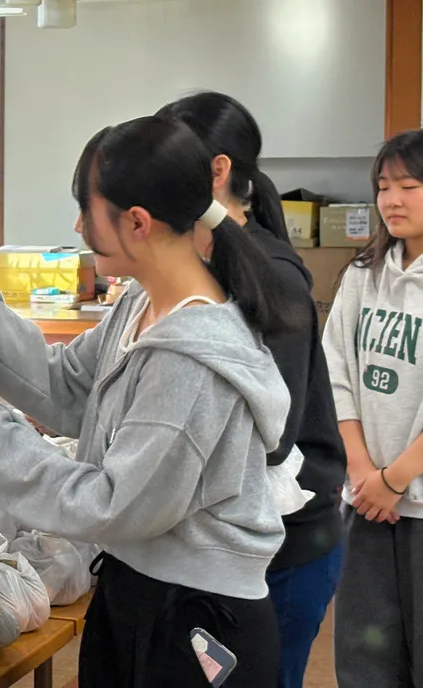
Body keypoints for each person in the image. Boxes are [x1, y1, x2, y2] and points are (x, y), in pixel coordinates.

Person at [0, 115, 291, 687]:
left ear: (136, 223)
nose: (77, 225)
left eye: (86, 211)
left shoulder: (189, 360)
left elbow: (116, 505)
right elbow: (66, 389)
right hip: (138, 587)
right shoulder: (139, 306)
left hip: (194, 616)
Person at [158, 91, 347, 688]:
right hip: (230, 542)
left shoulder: (273, 275)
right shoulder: (198, 261)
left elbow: (273, 430)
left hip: (286, 545)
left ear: (216, 171)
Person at [323, 129, 423, 688]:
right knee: (365, 662)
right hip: (366, 503)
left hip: (415, 502)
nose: (392, 199)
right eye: (384, 186)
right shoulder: (363, 276)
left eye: (409, 185)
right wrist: (364, 474)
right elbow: (335, 372)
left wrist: (397, 478)